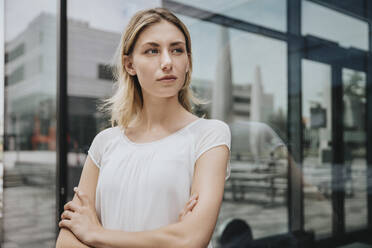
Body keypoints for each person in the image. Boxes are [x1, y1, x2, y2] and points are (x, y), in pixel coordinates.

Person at [55, 7, 231, 248]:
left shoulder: (209, 135)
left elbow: (190, 239)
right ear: (129, 65)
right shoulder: (105, 142)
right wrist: (165, 237)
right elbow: (67, 241)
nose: (168, 62)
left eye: (177, 50)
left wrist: (96, 234)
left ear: (188, 61)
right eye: (152, 50)